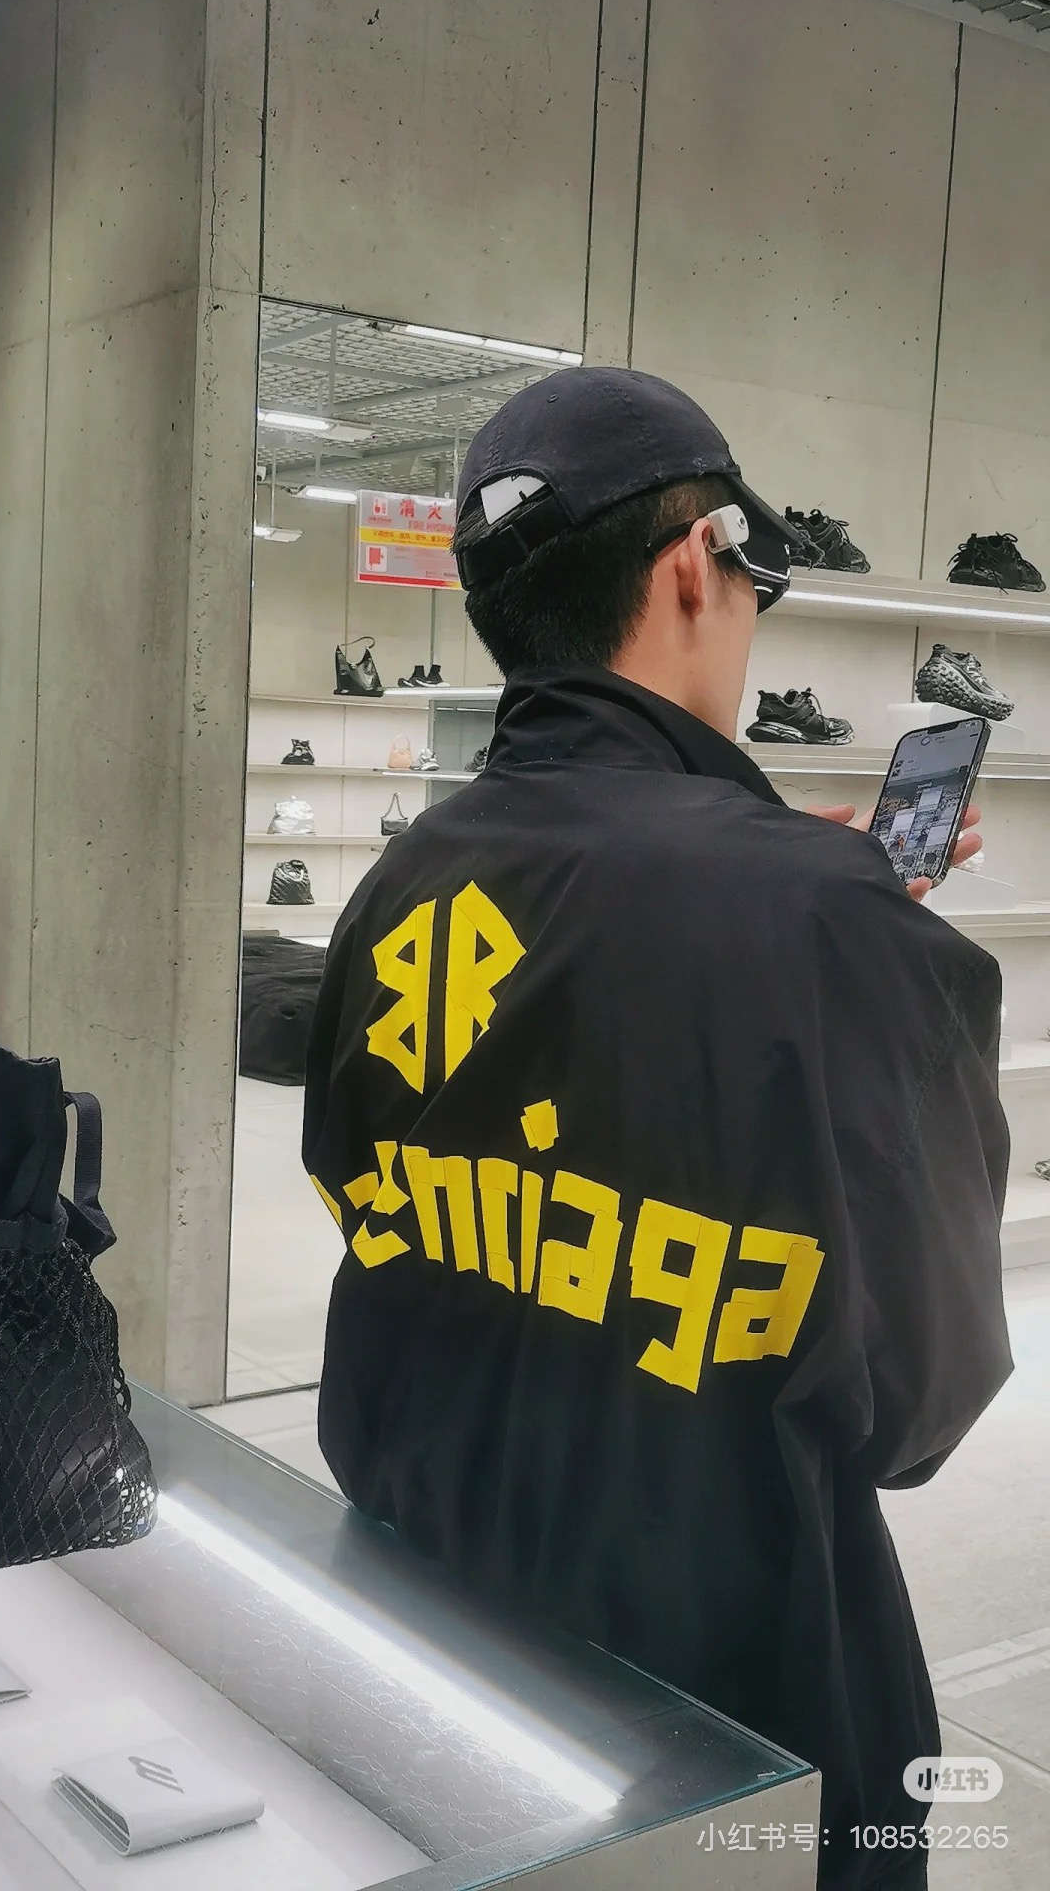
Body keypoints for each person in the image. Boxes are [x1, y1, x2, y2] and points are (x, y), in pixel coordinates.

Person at [302, 367, 1011, 1891]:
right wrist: (845, 943)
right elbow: (923, 1395)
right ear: (698, 561)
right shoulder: (825, 922)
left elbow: (370, 1192)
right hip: (737, 1714)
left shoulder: (405, 879)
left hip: (432, 1640)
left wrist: (788, 899)